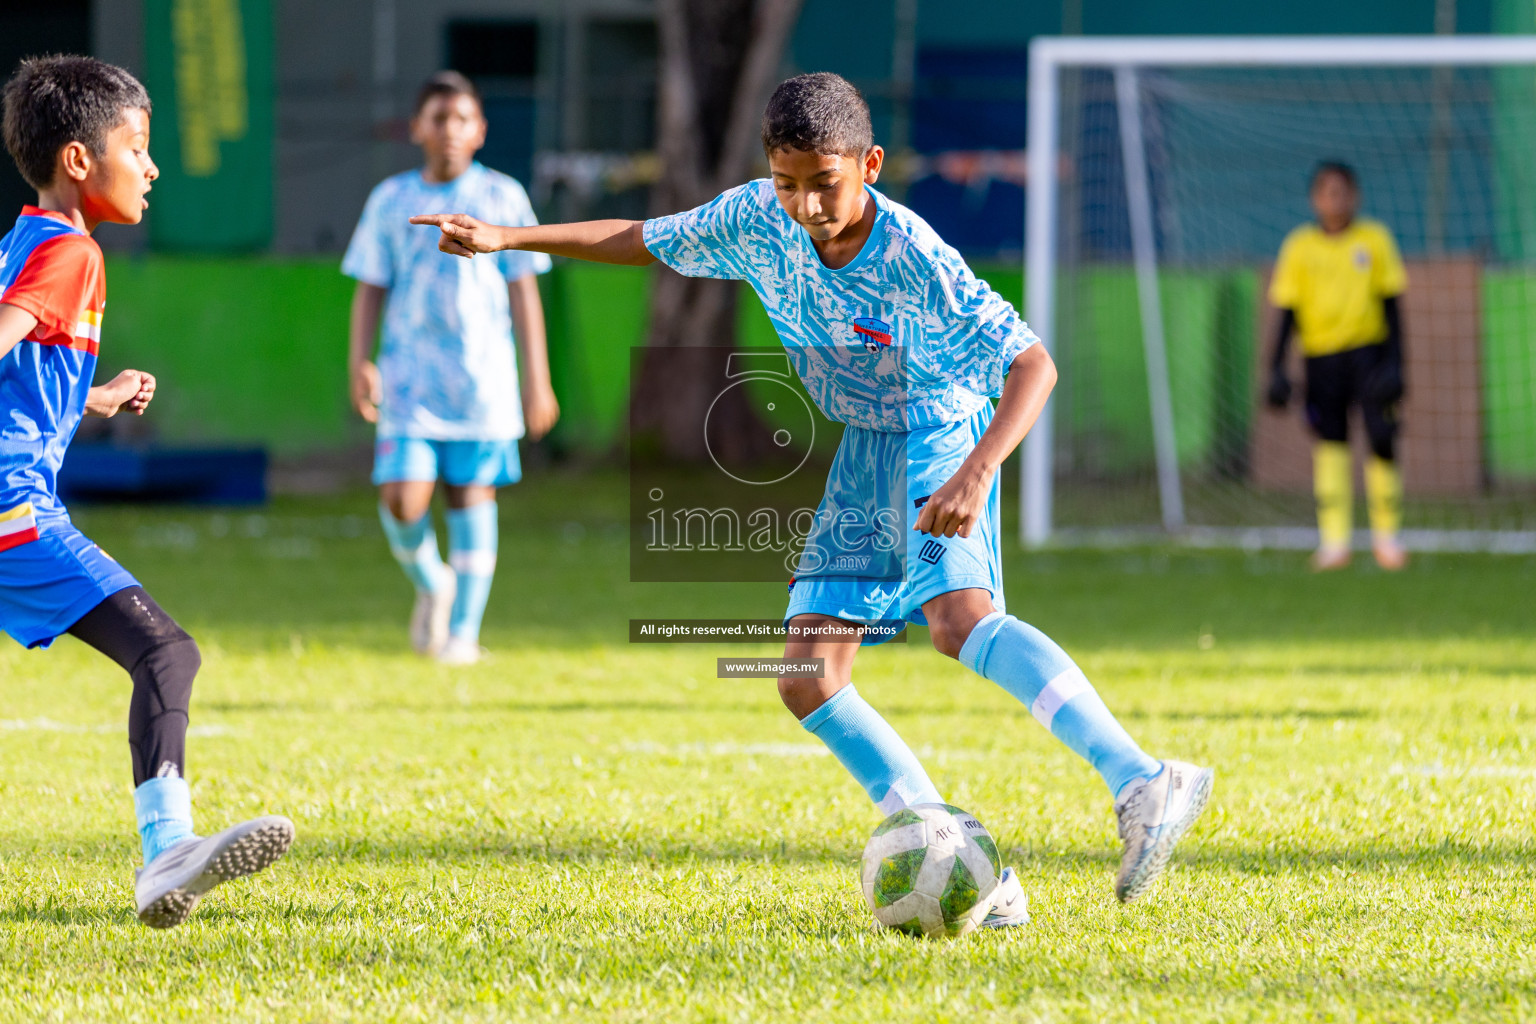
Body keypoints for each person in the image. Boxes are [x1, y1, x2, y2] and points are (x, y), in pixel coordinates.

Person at [413, 72, 1213, 919]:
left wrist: (975, 471)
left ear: (868, 164)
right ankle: (957, 860)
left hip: (939, 428)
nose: (805, 205)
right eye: (788, 183)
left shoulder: (915, 256)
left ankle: (1144, 781)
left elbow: (1033, 365)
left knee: (957, 620)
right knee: (807, 677)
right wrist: (508, 238)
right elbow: (641, 236)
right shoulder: (757, 215)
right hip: (868, 443)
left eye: (825, 184)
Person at [0, 55, 292, 929]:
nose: (153, 167)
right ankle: (168, 854)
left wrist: (89, 396)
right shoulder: (72, 250)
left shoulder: (20, 238)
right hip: (12, 511)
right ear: (81, 161)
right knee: (166, 653)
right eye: (139, 146)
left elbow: (23, 370)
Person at [343, 72, 557, 666]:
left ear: (481, 130)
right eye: (438, 118)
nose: (450, 130)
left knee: (471, 499)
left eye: (462, 118)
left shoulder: (503, 197)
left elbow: (525, 291)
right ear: (417, 128)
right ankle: (434, 584)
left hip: (485, 384)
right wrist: (362, 362)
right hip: (409, 383)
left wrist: (535, 380)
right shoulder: (390, 200)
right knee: (402, 502)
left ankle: (461, 636)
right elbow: (369, 286)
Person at [1268, 161, 1409, 571]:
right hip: (1321, 359)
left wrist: (1398, 365)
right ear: (1316, 199)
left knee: (1381, 437)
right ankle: (1334, 542)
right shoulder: (1299, 246)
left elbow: (1393, 307)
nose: (1335, 199)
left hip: (1369, 354)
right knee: (1331, 443)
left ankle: (1388, 539)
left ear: (1355, 196)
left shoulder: (1375, 240)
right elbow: (1287, 313)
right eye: (1327, 192)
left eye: (1342, 191)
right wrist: (1276, 367)